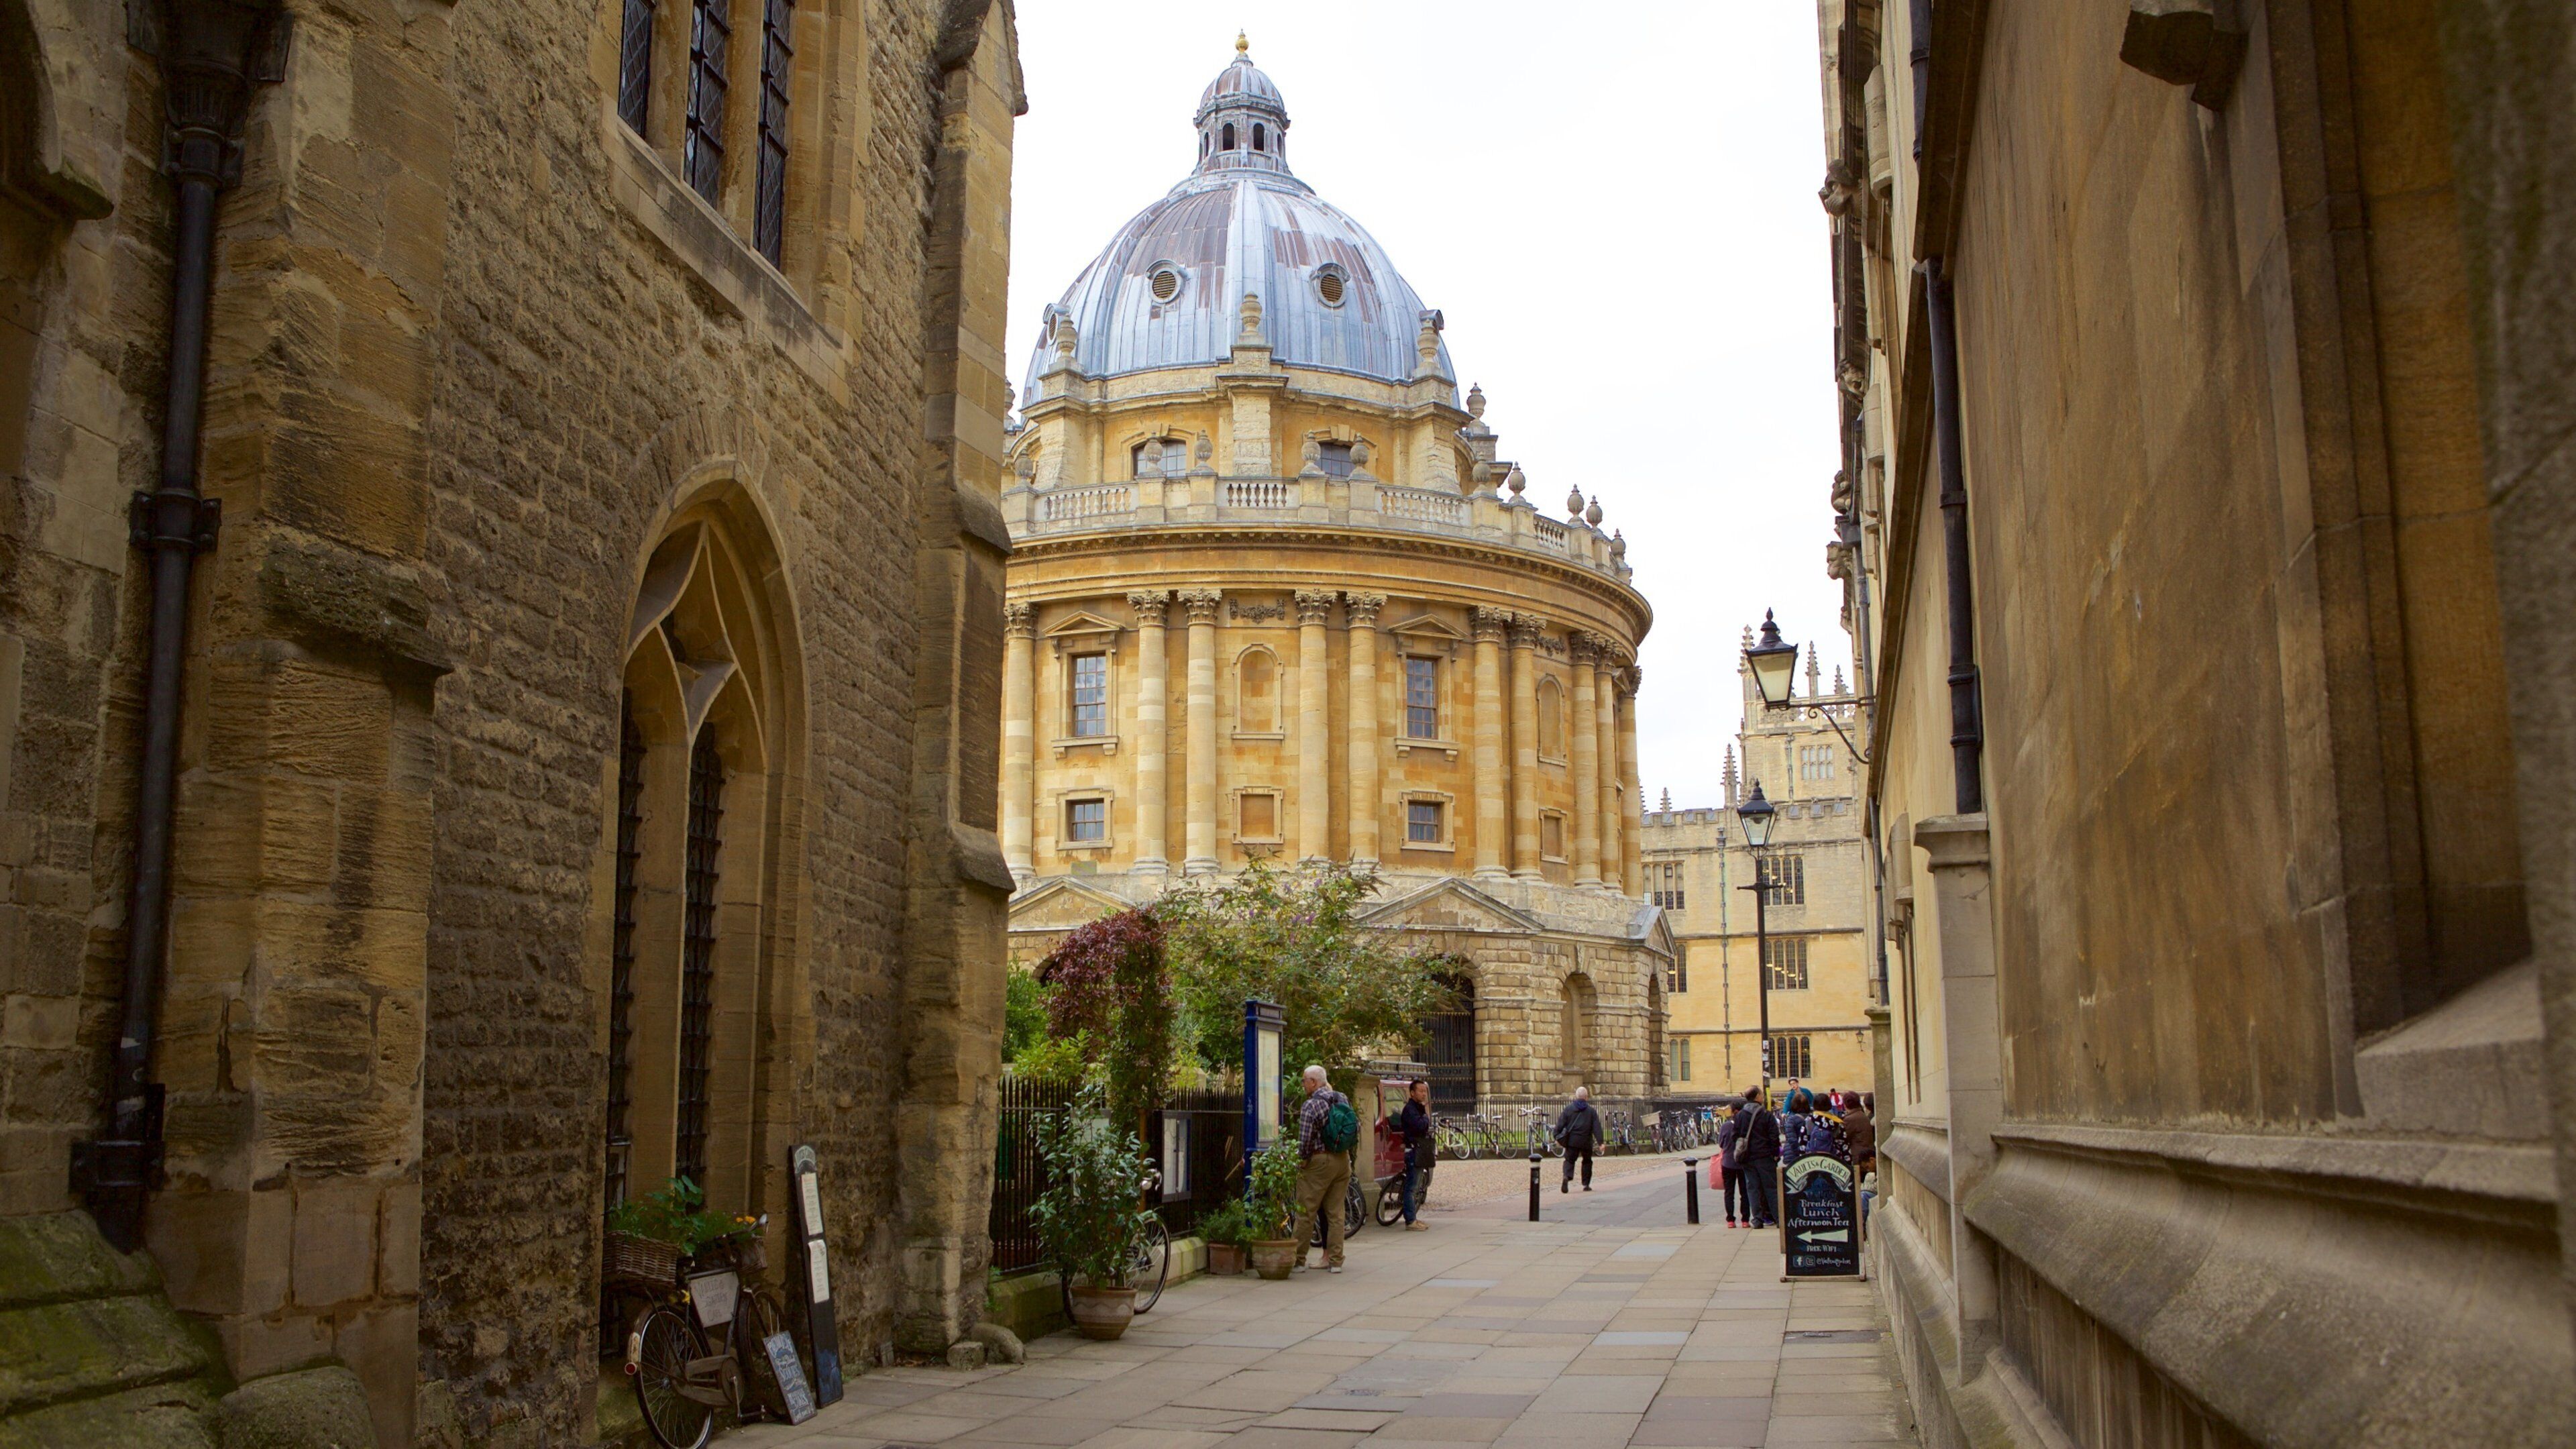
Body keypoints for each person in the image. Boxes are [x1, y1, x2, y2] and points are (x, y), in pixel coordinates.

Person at [1289, 1065, 1352, 1273]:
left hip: (1318, 1161)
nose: (1303, 1084)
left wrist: (1303, 1160)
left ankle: (1297, 1259)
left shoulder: (1311, 1105)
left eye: (1304, 1080)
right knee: (1336, 1212)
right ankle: (1335, 1261)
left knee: (1306, 1211)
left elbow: (1305, 1139)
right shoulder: (1341, 1097)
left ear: (1314, 1082)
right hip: (1342, 1160)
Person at [1738, 1085, 1780, 1229]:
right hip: (1765, 1156)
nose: (1763, 1097)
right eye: (1761, 1094)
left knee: (1753, 1189)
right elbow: (1774, 1136)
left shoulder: (1741, 1115)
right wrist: (1775, 1154)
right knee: (1771, 1188)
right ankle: (1779, 1218)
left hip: (1748, 1158)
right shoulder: (1767, 1115)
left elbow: (1735, 1136)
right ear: (1757, 1097)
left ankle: (1757, 1220)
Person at [1395, 1079, 1433, 1230]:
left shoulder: (1418, 1108)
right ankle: (1410, 1221)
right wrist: (1425, 1118)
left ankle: (1413, 1218)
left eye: (1425, 1091)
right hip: (1413, 1151)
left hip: (1418, 1149)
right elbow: (1421, 1125)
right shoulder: (1411, 1109)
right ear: (1412, 1093)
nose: (1424, 1094)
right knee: (1411, 1188)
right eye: (1421, 1091)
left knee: (1415, 1187)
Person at [1554, 1086, 1602, 1192]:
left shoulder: (1569, 1109)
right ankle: (1586, 1184)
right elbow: (1596, 1127)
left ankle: (1567, 1176)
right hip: (1586, 1141)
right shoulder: (1591, 1111)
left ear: (1576, 1096)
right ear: (1586, 1097)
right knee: (1587, 1162)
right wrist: (1601, 1142)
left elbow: (1561, 1123)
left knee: (1570, 1160)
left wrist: (1556, 1135)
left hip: (1572, 1141)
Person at [1715, 1099, 1750, 1227]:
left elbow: (1721, 1144)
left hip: (1728, 1163)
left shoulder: (1726, 1126)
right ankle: (1745, 1220)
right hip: (1743, 1163)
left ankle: (1730, 1220)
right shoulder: (1747, 1125)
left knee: (1729, 1192)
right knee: (1744, 1192)